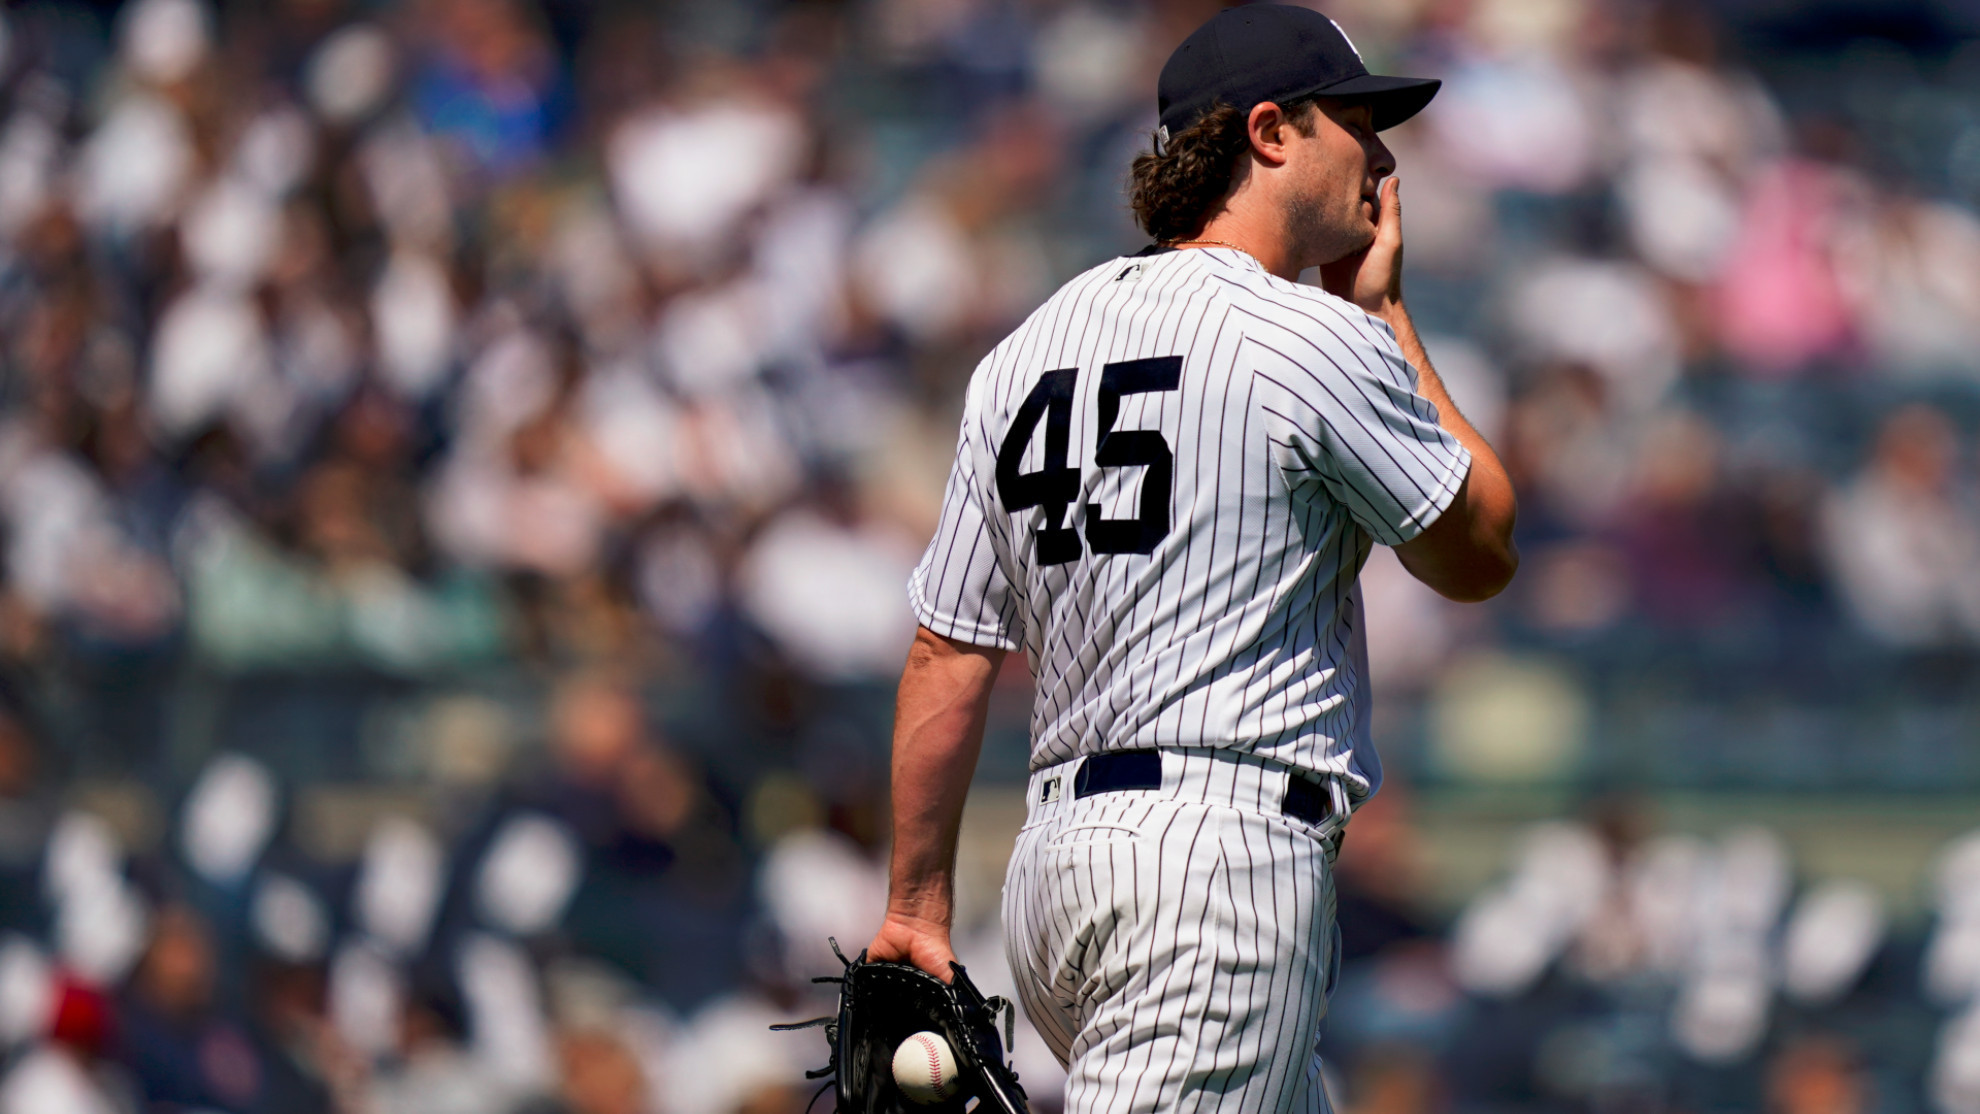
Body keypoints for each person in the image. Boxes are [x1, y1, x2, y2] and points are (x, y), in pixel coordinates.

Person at [867, 6, 1518, 1113]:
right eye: (1356, 123)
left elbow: (948, 646)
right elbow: (1481, 551)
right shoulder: (1307, 337)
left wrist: (918, 904)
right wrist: (1386, 312)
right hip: (1212, 870)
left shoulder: (1025, 351)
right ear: (1271, 132)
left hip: (1057, 875)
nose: (1383, 155)